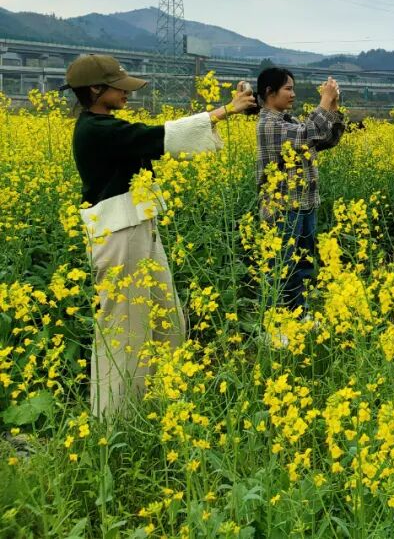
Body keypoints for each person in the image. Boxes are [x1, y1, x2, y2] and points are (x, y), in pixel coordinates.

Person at [64, 53, 256, 417]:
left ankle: (160, 407)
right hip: (118, 236)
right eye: (119, 87)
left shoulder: (109, 126)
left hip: (139, 229)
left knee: (167, 319)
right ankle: (114, 420)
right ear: (94, 89)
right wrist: (225, 111)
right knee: (125, 330)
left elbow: (154, 142)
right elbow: (158, 136)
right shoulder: (96, 130)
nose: (127, 94)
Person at [255, 68, 345, 312]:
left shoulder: (289, 122)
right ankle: (276, 322)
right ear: (269, 92)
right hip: (282, 209)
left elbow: (327, 139)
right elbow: (307, 134)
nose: (293, 94)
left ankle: (299, 314)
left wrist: (333, 107)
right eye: (288, 88)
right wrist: (324, 100)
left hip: (305, 204)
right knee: (282, 266)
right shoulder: (268, 124)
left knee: (303, 265)